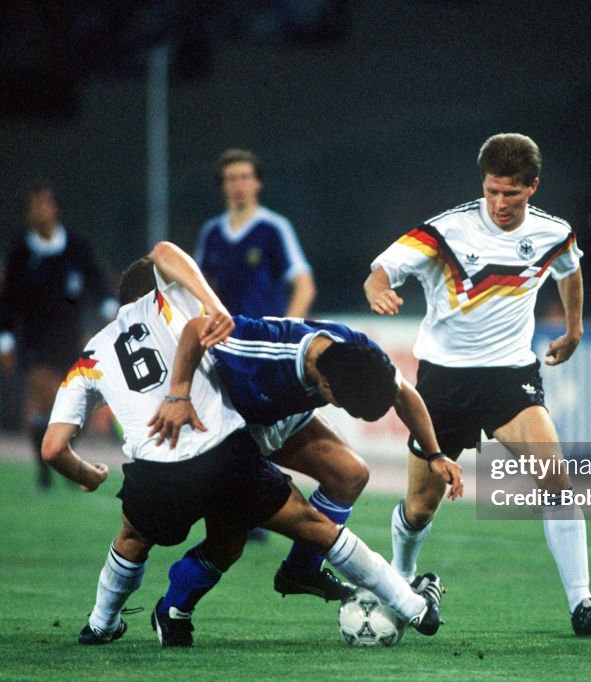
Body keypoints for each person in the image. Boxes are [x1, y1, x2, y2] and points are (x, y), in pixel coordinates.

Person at [41, 256, 444, 647]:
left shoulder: (89, 357)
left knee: (136, 539)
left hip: (158, 468)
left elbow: (52, 448)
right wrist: (183, 385)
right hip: (228, 441)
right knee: (245, 537)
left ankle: (100, 624)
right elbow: (168, 261)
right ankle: (176, 608)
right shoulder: (209, 324)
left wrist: (87, 475)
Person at [363, 132, 591, 636]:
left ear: (533, 188)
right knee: (420, 507)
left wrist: (574, 328)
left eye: (512, 194)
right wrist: (377, 287)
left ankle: (582, 601)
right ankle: (404, 578)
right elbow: (382, 268)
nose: (500, 203)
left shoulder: (553, 233)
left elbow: (570, 270)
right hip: (443, 386)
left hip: (510, 380)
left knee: (556, 480)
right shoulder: (446, 231)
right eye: (493, 191)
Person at [147, 241, 463, 603]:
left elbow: (404, 394)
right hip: (228, 421)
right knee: (228, 539)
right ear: (325, 386)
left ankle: (300, 571)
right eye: (347, 407)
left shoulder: (359, 358)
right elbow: (195, 324)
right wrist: (179, 394)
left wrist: (435, 453)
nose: (346, 412)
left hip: (278, 414)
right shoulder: (257, 350)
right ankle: (169, 610)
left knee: (350, 474)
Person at [0, 183, 117, 490]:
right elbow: (7, 300)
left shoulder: (76, 246)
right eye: (31, 206)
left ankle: (56, 462)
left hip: (72, 338)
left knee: (76, 410)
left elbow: (98, 281)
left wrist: (110, 308)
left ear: (55, 209)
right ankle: (48, 469)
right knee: (47, 400)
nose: (36, 211)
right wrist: (5, 339)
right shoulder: (21, 254)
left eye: (42, 204)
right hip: (34, 340)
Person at [195, 147, 315, 318]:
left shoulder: (274, 227)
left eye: (245, 177)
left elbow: (304, 286)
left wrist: (286, 329)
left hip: (266, 337)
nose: (239, 185)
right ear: (222, 185)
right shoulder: (211, 232)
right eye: (231, 179)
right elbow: (200, 284)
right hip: (228, 338)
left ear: (257, 183)